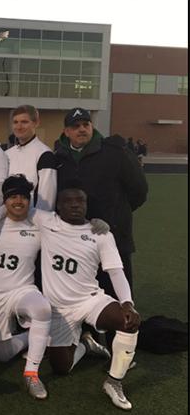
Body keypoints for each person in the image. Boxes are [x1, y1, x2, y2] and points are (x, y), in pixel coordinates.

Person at [43, 183, 140, 410]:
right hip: (58, 308)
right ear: (58, 205)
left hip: (89, 300)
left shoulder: (101, 234)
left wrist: (127, 303)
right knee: (60, 368)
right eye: (69, 201)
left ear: (87, 205)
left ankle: (114, 382)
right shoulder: (45, 222)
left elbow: (116, 272)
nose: (76, 205)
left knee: (129, 321)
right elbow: (16, 208)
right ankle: (86, 344)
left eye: (81, 201)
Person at [53, 108, 147, 294]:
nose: (82, 129)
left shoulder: (115, 153)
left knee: (118, 298)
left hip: (114, 238)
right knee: (82, 297)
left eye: (85, 124)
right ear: (66, 131)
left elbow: (139, 191)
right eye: (76, 126)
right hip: (76, 242)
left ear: (91, 126)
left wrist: (115, 219)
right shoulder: (59, 158)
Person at [0, 175, 53, 399]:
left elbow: (67, 221)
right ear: (4, 200)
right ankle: (37, 335)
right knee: (1, 354)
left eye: (24, 197)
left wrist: (96, 224)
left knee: (42, 309)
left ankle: (32, 373)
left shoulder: (39, 220)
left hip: (23, 290)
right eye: (12, 197)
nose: (19, 201)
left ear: (30, 200)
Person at [5, 105, 57, 211]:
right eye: (15, 122)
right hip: (7, 219)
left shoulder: (45, 154)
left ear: (36, 123)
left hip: (32, 222)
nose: (19, 127)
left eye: (24, 122)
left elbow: (47, 198)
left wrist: (39, 223)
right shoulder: (7, 154)